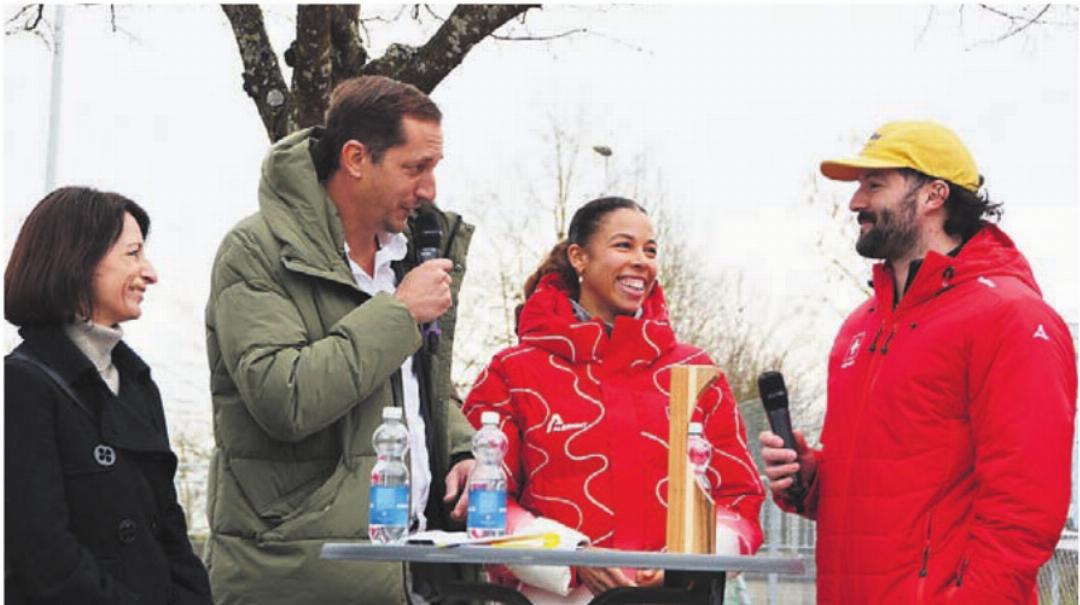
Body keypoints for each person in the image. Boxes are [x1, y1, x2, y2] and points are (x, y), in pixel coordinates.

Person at [759, 121, 1077, 604]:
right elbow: (891, 492)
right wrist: (810, 479)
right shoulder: (859, 327)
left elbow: (1023, 510)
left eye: (874, 185)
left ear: (934, 194)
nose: (855, 203)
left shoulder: (1011, 317)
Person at [203, 75, 477, 604]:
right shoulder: (256, 251)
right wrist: (397, 315)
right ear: (356, 158)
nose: (429, 190)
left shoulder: (411, 254)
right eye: (414, 168)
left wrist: (462, 449)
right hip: (302, 578)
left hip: (413, 572)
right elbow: (284, 398)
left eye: (434, 168)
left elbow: (416, 388)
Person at [463, 197, 765, 603]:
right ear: (579, 258)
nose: (642, 260)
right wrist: (572, 555)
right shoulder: (511, 372)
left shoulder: (696, 373)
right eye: (624, 246)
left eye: (650, 250)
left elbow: (739, 497)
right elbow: (485, 503)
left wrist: (689, 559)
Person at [4, 186, 213, 604]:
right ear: (79, 260)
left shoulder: (135, 383)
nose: (150, 273)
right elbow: (44, 555)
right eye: (132, 254)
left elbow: (170, 531)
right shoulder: (21, 386)